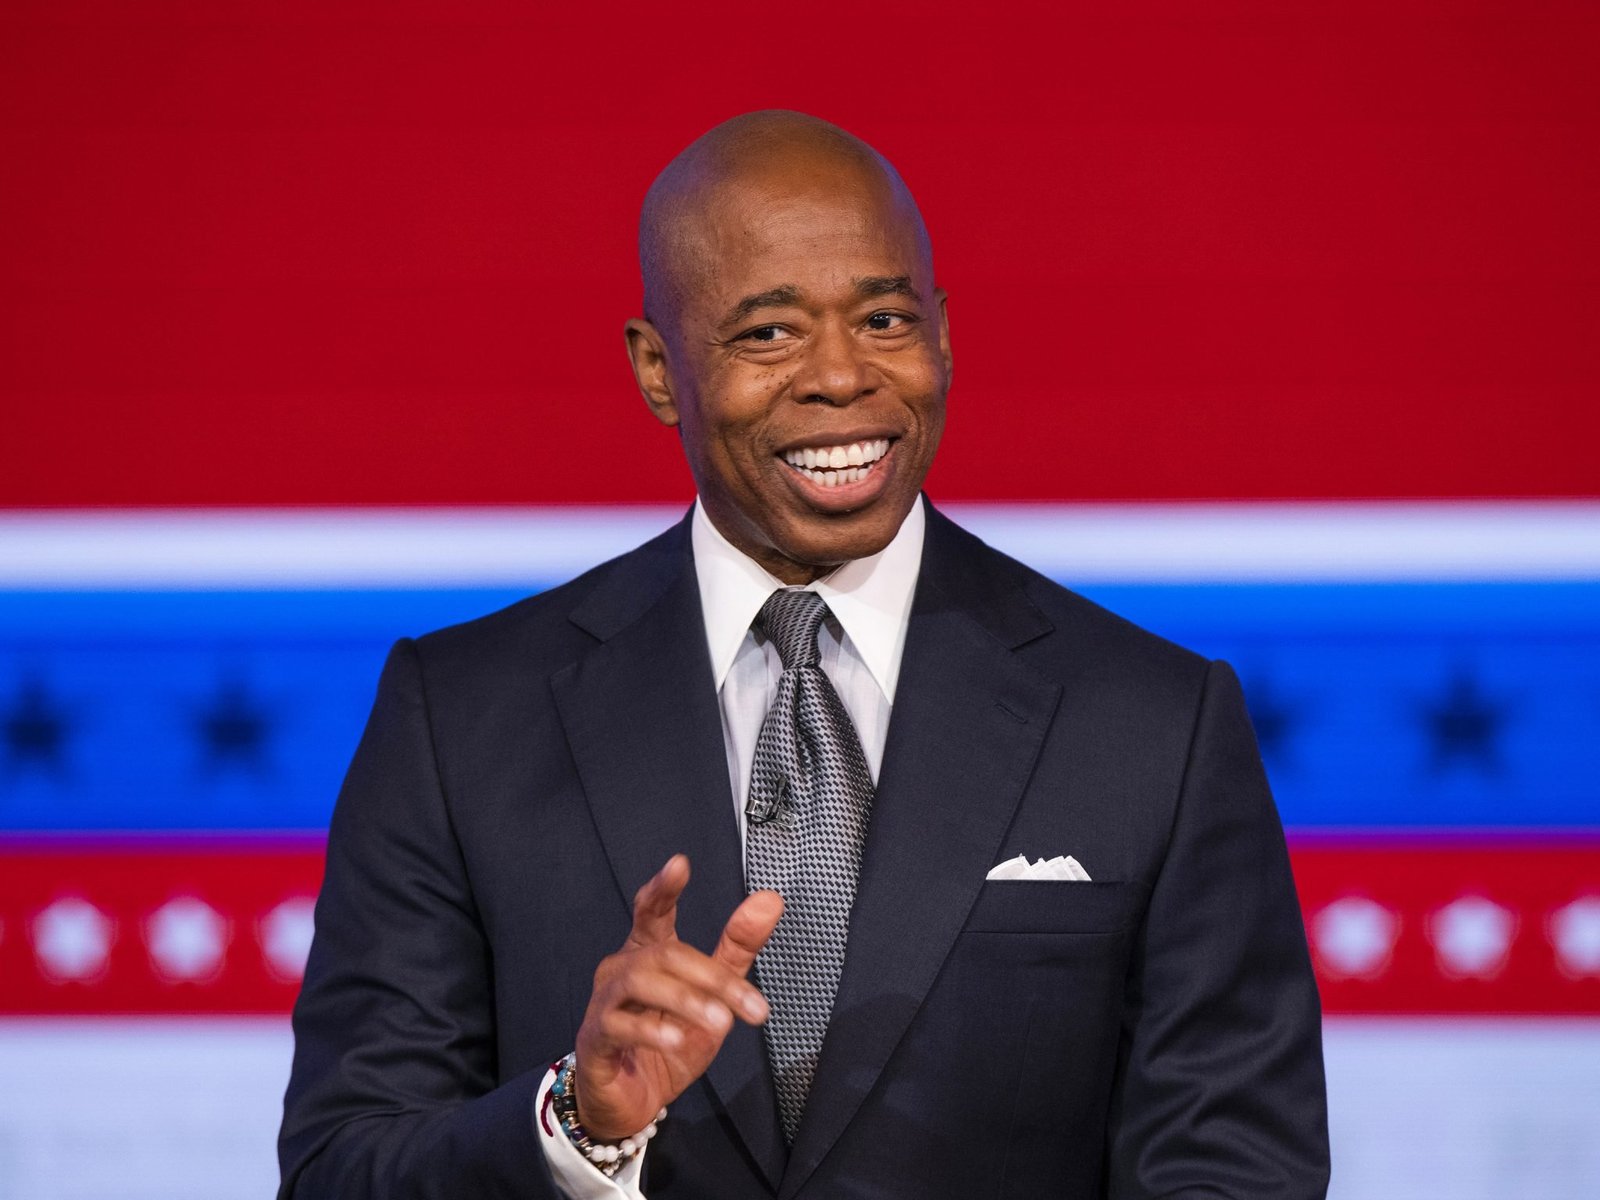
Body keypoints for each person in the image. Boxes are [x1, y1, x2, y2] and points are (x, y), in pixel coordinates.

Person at [278, 110, 1330, 1199]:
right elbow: (340, 1171)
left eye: (883, 319)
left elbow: (1235, 1168)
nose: (840, 376)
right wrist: (575, 1124)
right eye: (769, 333)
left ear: (942, 335)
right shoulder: (459, 720)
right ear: (657, 369)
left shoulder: (1154, 721)